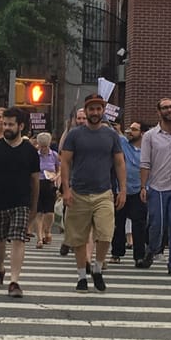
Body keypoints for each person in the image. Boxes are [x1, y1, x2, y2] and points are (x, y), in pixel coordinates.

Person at [61, 94, 126, 293]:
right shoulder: (75, 135)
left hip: (103, 192)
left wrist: (122, 189)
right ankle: (82, 276)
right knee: (79, 238)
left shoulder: (111, 136)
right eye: (92, 109)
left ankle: (97, 269)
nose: (95, 113)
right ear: (86, 110)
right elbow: (65, 162)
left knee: (106, 233)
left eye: (99, 109)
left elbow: (119, 162)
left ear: (103, 110)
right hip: (79, 192)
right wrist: (65, 189)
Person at [0, 108, 41, 298]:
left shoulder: (30, 151)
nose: (7, 127)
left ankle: (14, 281)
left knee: (18, 239)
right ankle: (0, 269)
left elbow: (35, 181)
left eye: (11, 124)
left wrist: (34, 206)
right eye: (4, 123)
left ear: (21, 126)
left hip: (21, 201)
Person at [140, 98, 171, 274]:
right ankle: (152, 250)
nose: (169, 110)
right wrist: (143, 186)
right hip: (157, 186)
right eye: (165, 107)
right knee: (157, 225)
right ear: (159, 111)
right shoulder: (150, 136)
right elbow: (145, 163)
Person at [111, 121, 148, 267]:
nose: (130, 132)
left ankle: (139, 256)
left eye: (134, 129)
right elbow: (110, 127)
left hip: (139, 191)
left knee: (139, 224)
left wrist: (146, 188)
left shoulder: (147, 150)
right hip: (122, 190)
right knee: (118, 223)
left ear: (142, 133)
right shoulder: (123, 143)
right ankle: (116, 253)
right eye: (129, 129)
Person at [58, 108, 87, 257]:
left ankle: (78, 243)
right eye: (79, 118)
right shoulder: (70, 134)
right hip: (71, 179)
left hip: (88, 181)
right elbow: (61, 155)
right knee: (69, 212)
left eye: (84, 118)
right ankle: (68, 240)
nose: (81, 121)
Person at [33, 132, 60, 249]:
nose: (43, 148)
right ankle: (39, 238)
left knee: (49, 212)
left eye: (45, 146)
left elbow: (59, 169)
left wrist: (56, 177)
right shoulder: (35, 155)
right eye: (41, 146)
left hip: (49, 184)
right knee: (38, 212)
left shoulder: (54, 155)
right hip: (38, 183)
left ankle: (47, 230)